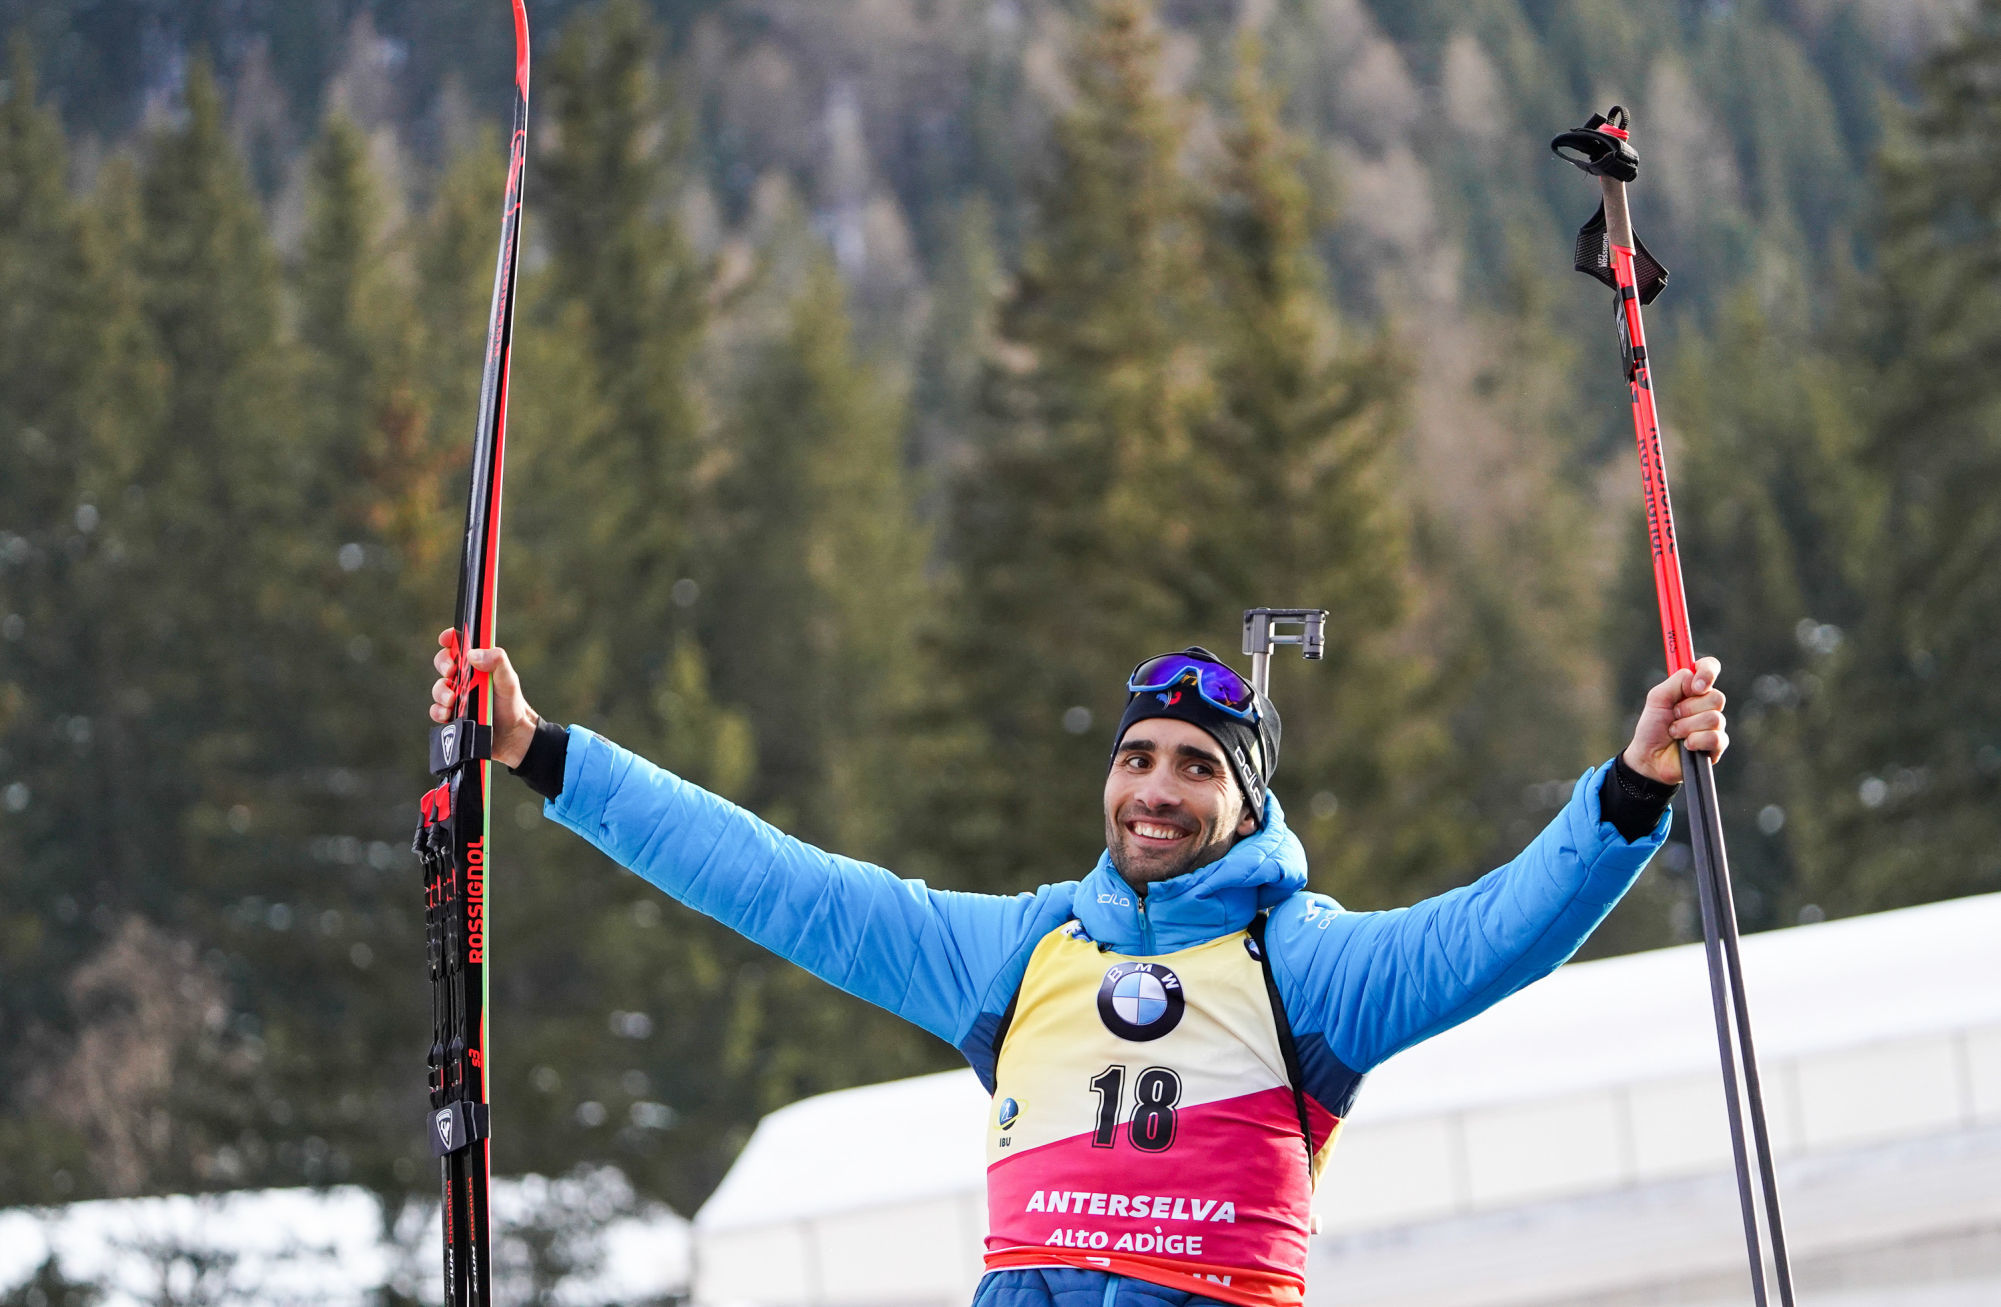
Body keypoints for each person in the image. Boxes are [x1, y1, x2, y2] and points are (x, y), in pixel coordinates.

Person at [428, 636, 1727, 1307]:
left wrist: (1634, 786)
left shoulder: (1304, 968)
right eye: (1136, 757)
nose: (1154, 788)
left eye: (1194, 765)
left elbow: (1505, 925)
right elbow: (775, 881)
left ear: (1244, 796)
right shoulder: (1022, 950)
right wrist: (543, 752)